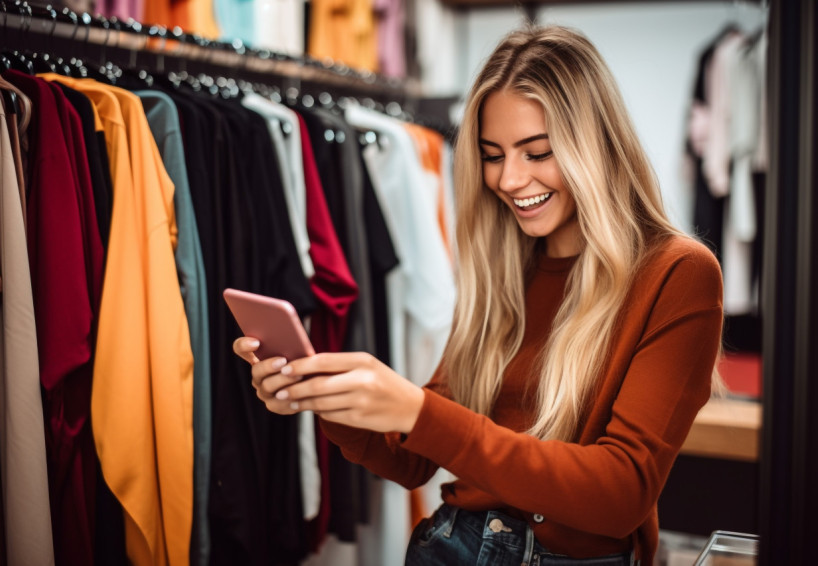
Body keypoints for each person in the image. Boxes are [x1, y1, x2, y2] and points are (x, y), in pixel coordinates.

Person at [233, 25, 724, 566]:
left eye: (537, 153)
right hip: (450, 544)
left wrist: (419, 411)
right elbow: (414, 459)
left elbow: (620, 495)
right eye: (493, 155)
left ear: (595, 145)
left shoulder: (677, 273)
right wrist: (327, 397)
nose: (510, 179)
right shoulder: (503, 268)